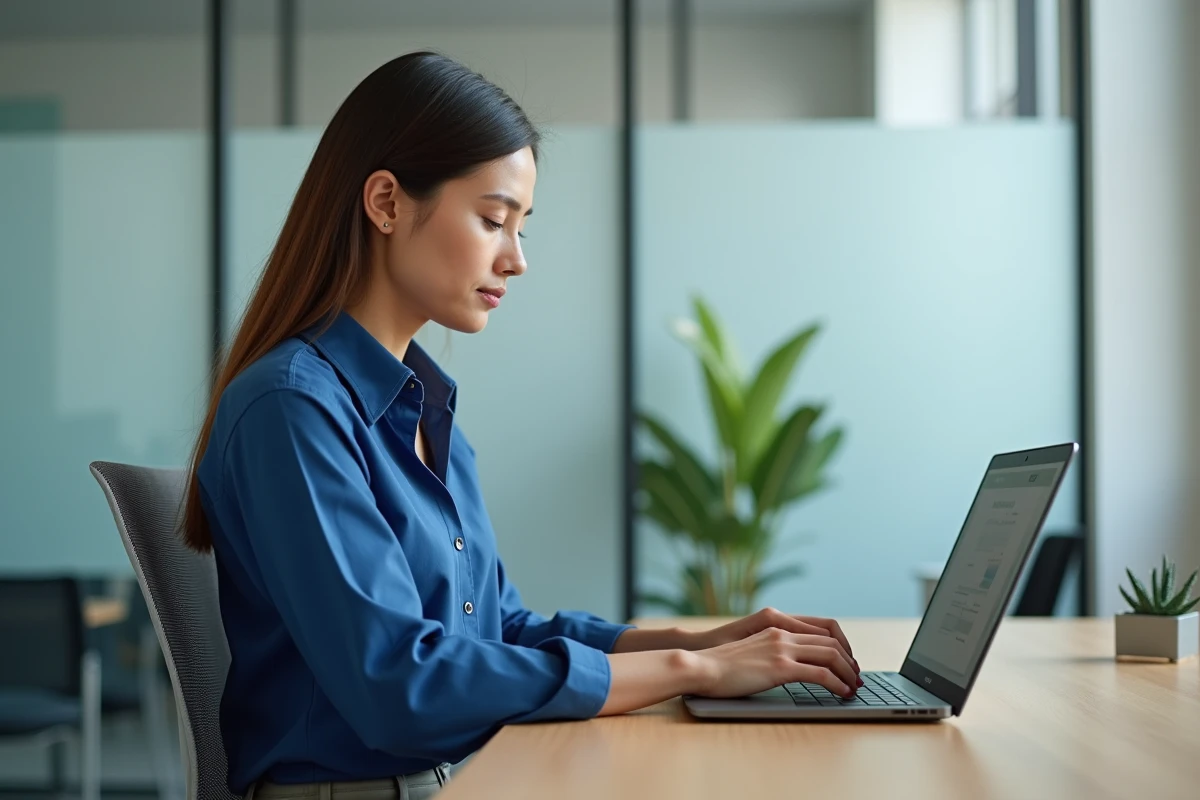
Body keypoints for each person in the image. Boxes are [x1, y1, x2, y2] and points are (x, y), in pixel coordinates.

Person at [183, 51, 861, 800]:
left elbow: (499, 632)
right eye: (492, 220)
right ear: (385, 203)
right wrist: (692, 672)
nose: (517, 260)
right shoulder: (293, 407)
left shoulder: (428, 415)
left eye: (521, 228)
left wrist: (694, 642)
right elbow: (399, 686)